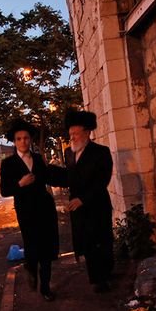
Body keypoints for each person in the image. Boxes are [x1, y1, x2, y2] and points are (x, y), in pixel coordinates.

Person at [0, 119, 65, 301]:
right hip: (26, 211)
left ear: (30, 140)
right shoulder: (8, 163)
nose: (23, 142)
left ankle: (45, 288)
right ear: (14, 141)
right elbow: (4, 190)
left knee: (47, 248)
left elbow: (49, 178)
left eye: (26, 138)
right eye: (19, 139)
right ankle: (31, 268)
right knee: (32, 246)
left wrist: (70, 177)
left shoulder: (38, 158)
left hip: (45, 207)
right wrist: (20, 184)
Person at [63, 110, 114, 293]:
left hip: (96, 204)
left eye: (76, 134)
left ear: (87, 133)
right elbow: (69, 177)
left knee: (102, 240)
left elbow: (102, 180)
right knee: (86, 242)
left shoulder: (101, 152)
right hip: (77, 207)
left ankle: (104, 278)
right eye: (70, 135)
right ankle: (95, 276)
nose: (72, 138)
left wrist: (83, 199)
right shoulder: (68, 153)